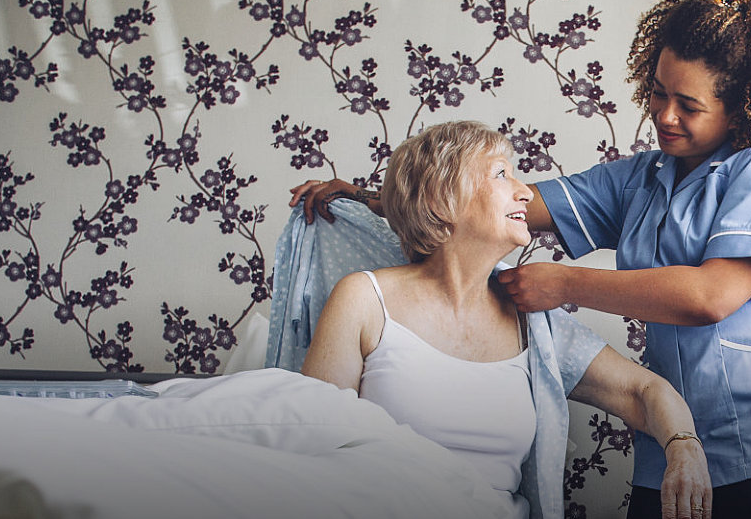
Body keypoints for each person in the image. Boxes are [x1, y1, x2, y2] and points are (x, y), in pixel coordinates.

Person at [289, 0, 751, 517]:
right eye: (658, 93)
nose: (664, 115)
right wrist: (373, 198)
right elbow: (493, 204)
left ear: (739, 109)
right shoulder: (637, 180)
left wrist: (565, 284)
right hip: (671, 444)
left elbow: (710, 297)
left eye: (689, 105)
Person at [299, 120, 714, 519]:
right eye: (502, 175)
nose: (526, 194)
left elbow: (644, 391)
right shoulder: (363, 298)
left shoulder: (533, 324)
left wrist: (683, 447)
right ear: (443, 198)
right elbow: (313, 445)